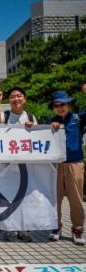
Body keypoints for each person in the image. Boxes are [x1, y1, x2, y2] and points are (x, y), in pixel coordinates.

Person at [0, 87, 37, 242]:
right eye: (12, 97)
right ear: (9, 100)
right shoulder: (5, 115)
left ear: (24, 99)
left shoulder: (31, 117)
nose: (16, 99)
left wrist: (34, 128)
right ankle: (8, 229)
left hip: (25, 165)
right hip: (7, 165)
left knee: (24, 197)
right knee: (7, 197)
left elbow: (37, 139)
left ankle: (23, 229)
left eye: (19, 96)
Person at [49, 91, 85, 245]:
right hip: (56, 165)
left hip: (74, 163)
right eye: (56, 105)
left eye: (63, 104)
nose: (60, 108)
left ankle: (77, 229)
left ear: (69, 105)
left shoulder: (78, 119)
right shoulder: (50, 121)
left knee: (75, 198)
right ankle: (55, 227)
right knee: (54, 198)